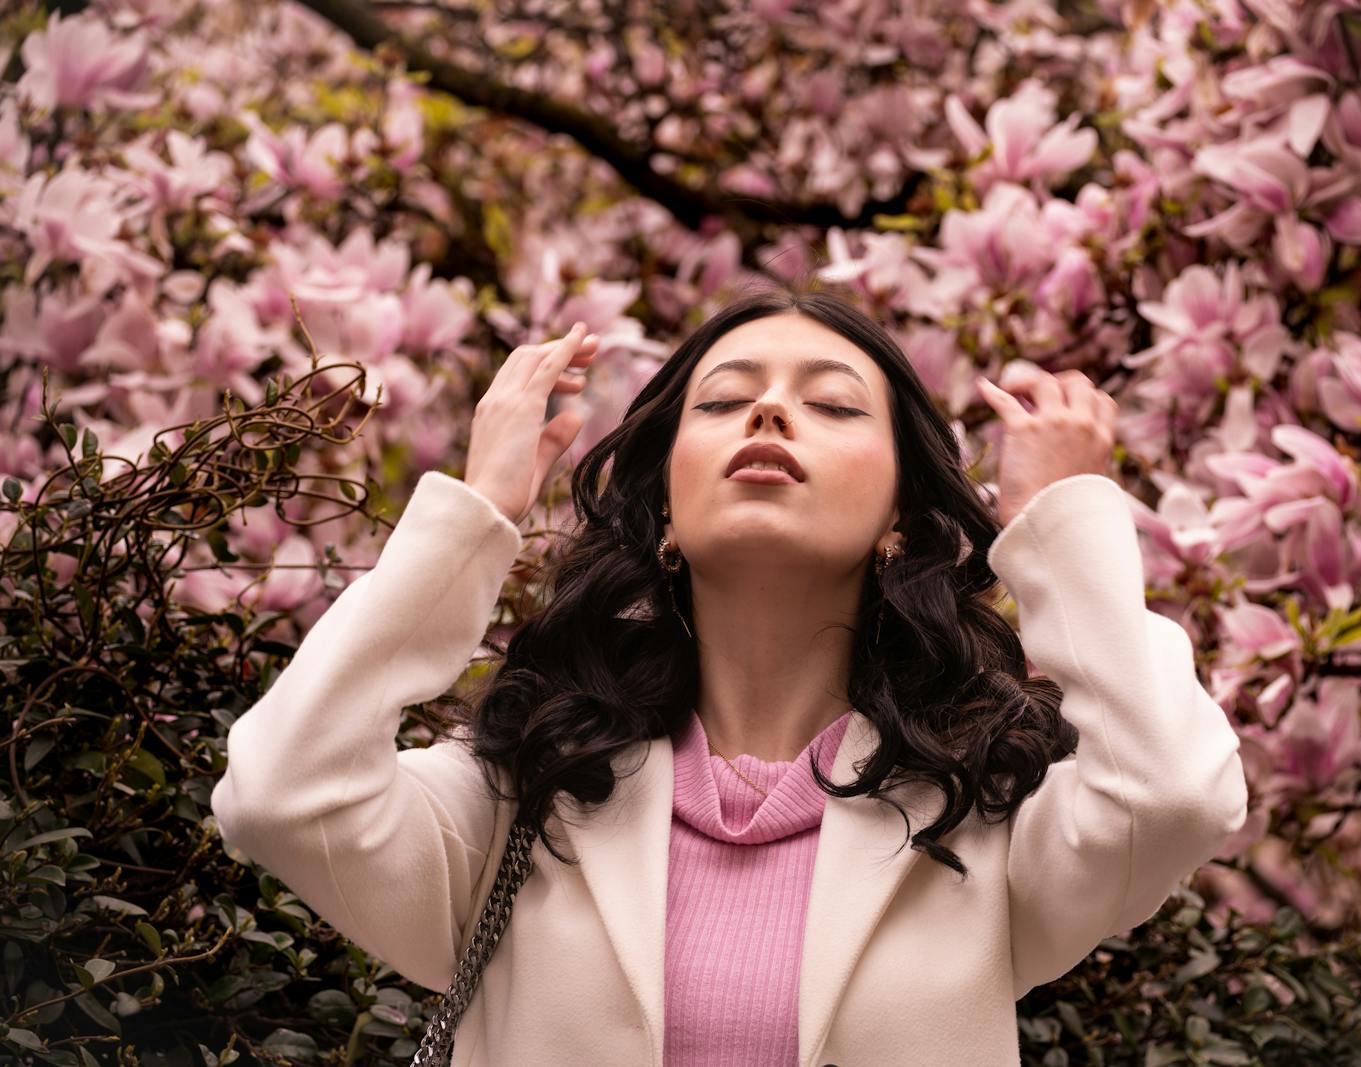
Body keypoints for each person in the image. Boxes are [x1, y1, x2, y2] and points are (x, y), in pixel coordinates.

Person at [210, 285, 1249, 1066]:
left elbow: (1172, 792)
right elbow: (279, 791)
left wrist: (1061, 526)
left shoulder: (976, 816)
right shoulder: (528, 794)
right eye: (725, 401)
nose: (768, 417)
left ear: (899, 518)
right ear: (662, 505)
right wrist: (470, 519)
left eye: (833, 406)